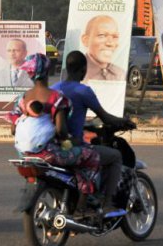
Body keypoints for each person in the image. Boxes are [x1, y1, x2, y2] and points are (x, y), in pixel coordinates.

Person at [6, 53, 101, 217]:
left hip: (25, 155)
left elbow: (14, 130)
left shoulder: (22, 99)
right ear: (48, 71)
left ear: (29, 73)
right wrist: (72, 140)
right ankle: (81, 206)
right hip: (49, 154)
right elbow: (62, 131)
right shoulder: (56, 97)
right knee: (91, 157)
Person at [51, 51, 133, 214]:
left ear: (67, 68)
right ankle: (107, 203)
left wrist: (87, 126)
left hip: (54, 146)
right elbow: (106, 118)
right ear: (83, 70)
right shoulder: (83, 91)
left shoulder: (53, 89)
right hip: (73, 146)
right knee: (115, 156)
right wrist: (124, 122)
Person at [81, 15, 125, 82]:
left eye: (115, 37)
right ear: (86, 40)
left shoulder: (121, 74)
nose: (110, 43)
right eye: (102, 35)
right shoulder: (72, 72)